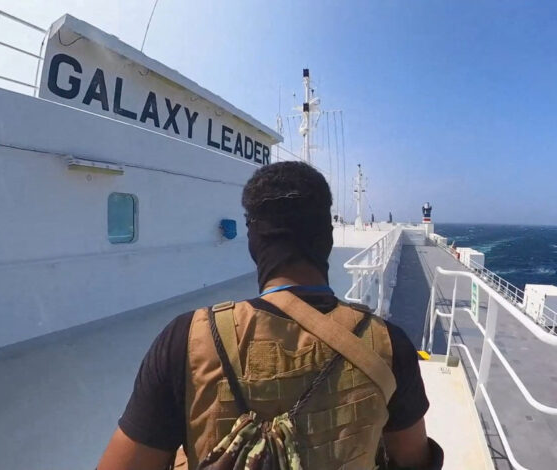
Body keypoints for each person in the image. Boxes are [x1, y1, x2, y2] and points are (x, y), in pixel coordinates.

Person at [98, 161, 441, 470]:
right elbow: (414, 459)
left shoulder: (186, 340)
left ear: (254, 242)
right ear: (327, 237)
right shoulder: (387, 344)